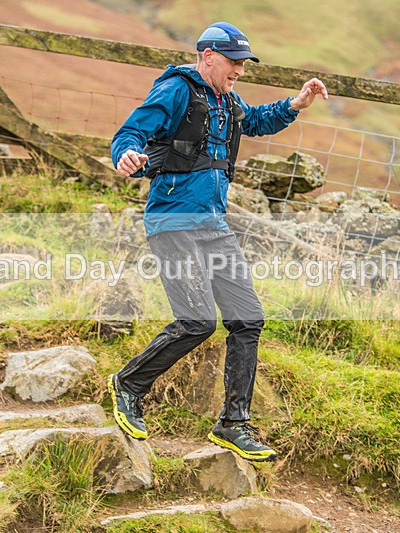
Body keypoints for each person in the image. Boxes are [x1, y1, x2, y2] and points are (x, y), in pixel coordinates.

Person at [107, 21, 328, 461]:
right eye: (234, 62)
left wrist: (296, 104)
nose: (240, 70)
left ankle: (233, 423)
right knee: (197, 322)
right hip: (173, 223)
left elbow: (257, 122)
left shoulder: (225, 99)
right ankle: (128, 384)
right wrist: (125, 155)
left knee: (248, 320)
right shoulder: (176, 90)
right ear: (208, 56)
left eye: (244, 64)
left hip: (214, 227)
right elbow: (131, 132)